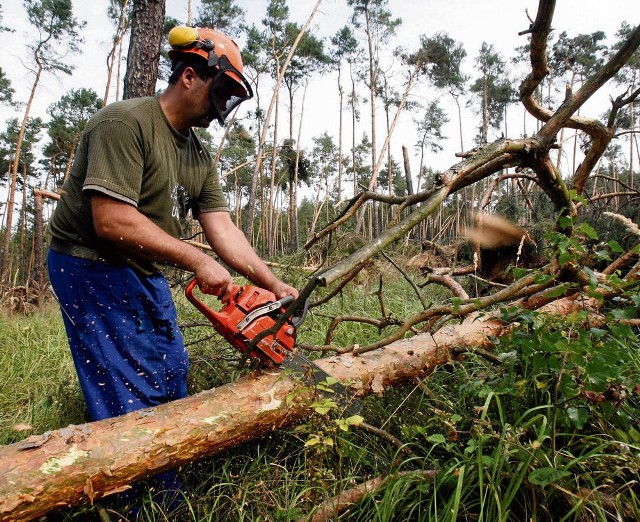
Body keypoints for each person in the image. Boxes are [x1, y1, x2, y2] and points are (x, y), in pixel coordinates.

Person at [47, 26, 298, 422]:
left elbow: (224, 229)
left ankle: (166, 458)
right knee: (129, 385)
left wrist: (272, 284)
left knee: (170, 367)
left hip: (141, 266)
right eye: (221, 92)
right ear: (189, 77)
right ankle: (136, 478)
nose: (222, 107)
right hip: (90, 263)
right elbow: (111, 221)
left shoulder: (197, 156)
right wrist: (197, 261)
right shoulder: (125, 123)